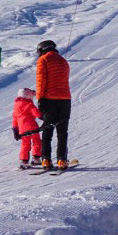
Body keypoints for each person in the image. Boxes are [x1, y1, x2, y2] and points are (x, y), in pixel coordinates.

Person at [35, 39, 72, 170]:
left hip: (49, 100)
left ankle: (46, 159)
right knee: (62, 131)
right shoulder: (63, 61)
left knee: (47, 130)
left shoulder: (43, 60)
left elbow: (41, 81)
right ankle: (62, 160)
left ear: (43, 49)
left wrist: (40, 99)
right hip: (65, 100)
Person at [11, 87, 43, 167]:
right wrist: (43, 117)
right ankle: (36, 158)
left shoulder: (16, 107)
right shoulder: (29, 104)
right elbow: (36, 113)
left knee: (25, 144)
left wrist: (15, 130)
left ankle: (23, 161)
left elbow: (15, 119)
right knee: (36, 141)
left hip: (22, 130)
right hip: (32, 127)